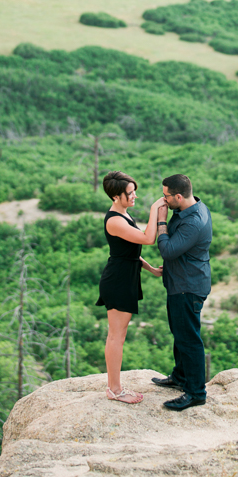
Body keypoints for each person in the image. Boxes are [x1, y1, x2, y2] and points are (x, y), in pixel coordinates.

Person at [95, 170, 165, 404]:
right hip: (118, 281)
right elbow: (147, 239)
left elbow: (127, 253)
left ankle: (115, 387)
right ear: (116, 196)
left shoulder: (123, 214)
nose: (134, 196)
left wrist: (152, 269)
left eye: (134, 191)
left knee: (118, 334)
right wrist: (155, 209)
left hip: (124, 277)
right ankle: (115, 390)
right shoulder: (115, 220)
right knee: (116, 336)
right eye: (130, 193)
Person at [149, 174, 213, 411]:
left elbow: (167, 249)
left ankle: (196, 393)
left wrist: (161, 221)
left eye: (165, 195)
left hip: (188, 286)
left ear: (178, 196)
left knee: (189, 339)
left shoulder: (193, 221)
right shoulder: (191, 207)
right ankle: (180, 377)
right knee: (180, 332)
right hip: (182, 281)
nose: (162, 199)